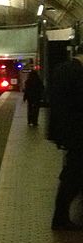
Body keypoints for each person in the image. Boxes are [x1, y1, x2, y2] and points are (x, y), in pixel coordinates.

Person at [47, 49, 83, 231]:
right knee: (73, 174)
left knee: (72, 172)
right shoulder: (76, 73)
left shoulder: (62, 69)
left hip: (67, 132)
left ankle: (61, 217)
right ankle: (60, 218)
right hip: (77, 133)